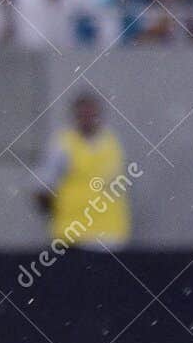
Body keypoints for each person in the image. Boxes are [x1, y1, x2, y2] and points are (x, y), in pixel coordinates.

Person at [32, 91, 130, 248]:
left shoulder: (112, 142)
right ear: (75, 116)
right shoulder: (62, 144)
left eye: (92, 113)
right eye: (83, 114)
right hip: (71, 238)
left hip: (110, 237)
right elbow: (42, 188)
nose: (88, 118)